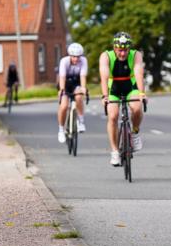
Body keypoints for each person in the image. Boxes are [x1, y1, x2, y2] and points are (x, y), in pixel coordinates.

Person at [99, 31, 146, 166]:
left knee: (137, 108)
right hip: (113, 87)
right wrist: (105, 96)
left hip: (130, 86)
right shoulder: (106, 56)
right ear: (114, 48)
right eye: (120, 50)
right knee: (113, 116)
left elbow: (138, 73)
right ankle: (114, 151)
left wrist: (142, 94)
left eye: (126, 50)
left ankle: (135, 132)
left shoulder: (136, 55)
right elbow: (104, 77)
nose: (123, 54)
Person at [57, 42, 88, 143]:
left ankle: (81, 122)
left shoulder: (83, 61)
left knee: (79, 97)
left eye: (78, 57)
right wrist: (62, 91)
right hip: (65, 82)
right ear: (70, 55)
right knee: (64, 106)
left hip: (76, 82)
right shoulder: (64, 61)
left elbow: (83, 77)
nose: (76, 59)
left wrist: (83, 89)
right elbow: (62, 77)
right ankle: (61, 129)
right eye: (74, 56)